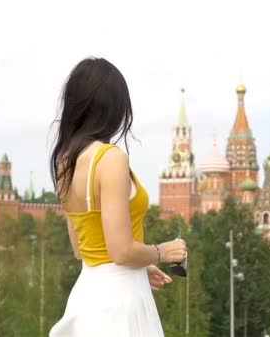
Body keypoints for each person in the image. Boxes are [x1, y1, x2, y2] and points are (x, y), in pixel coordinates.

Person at [48, 57, 187, 336]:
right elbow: (121, 251)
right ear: (114, 107)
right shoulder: (110, 159)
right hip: (121, 306)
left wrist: (141, 268)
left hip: (88, 297)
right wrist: (162, 252)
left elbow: (83, 249)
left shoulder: (66, 162)